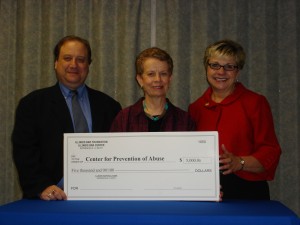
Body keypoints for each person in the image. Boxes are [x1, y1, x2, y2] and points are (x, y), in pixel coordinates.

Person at [12, 35, 121, 201]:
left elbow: (118, 154)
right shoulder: (32, 104)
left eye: (81, 60)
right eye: (67, 58)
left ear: (88, 65)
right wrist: (42, 187)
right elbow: (24, 152)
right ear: (56, 63)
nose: (74, 65)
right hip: (50, 198)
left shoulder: (110, 106)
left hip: (100, 196)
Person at [188, 39, 281, 200]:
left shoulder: (255, 103)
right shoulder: (195, 108)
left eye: (229, 66)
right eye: (215, 65)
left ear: (237, 71)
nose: (221, 72)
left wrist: (240, 162)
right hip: (207, 191)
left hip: (247, 191)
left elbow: (270, 151)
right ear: (206, 68)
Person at [110, 47, 195, 132]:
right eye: (151, 74)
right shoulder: (124, 119)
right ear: (140, 80)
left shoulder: (184, 120)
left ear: (170, 79)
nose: (158, 79)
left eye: (163, 74)